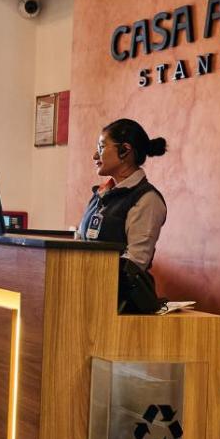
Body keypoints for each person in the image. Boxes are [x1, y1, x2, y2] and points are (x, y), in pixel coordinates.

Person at [78, 118, 168, 309]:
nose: (95, 155)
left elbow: (135, 263)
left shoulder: (147, 199)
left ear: (125, 150)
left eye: (102, 147)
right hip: (87, 294)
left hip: (121, 305)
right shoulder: (100, 194)